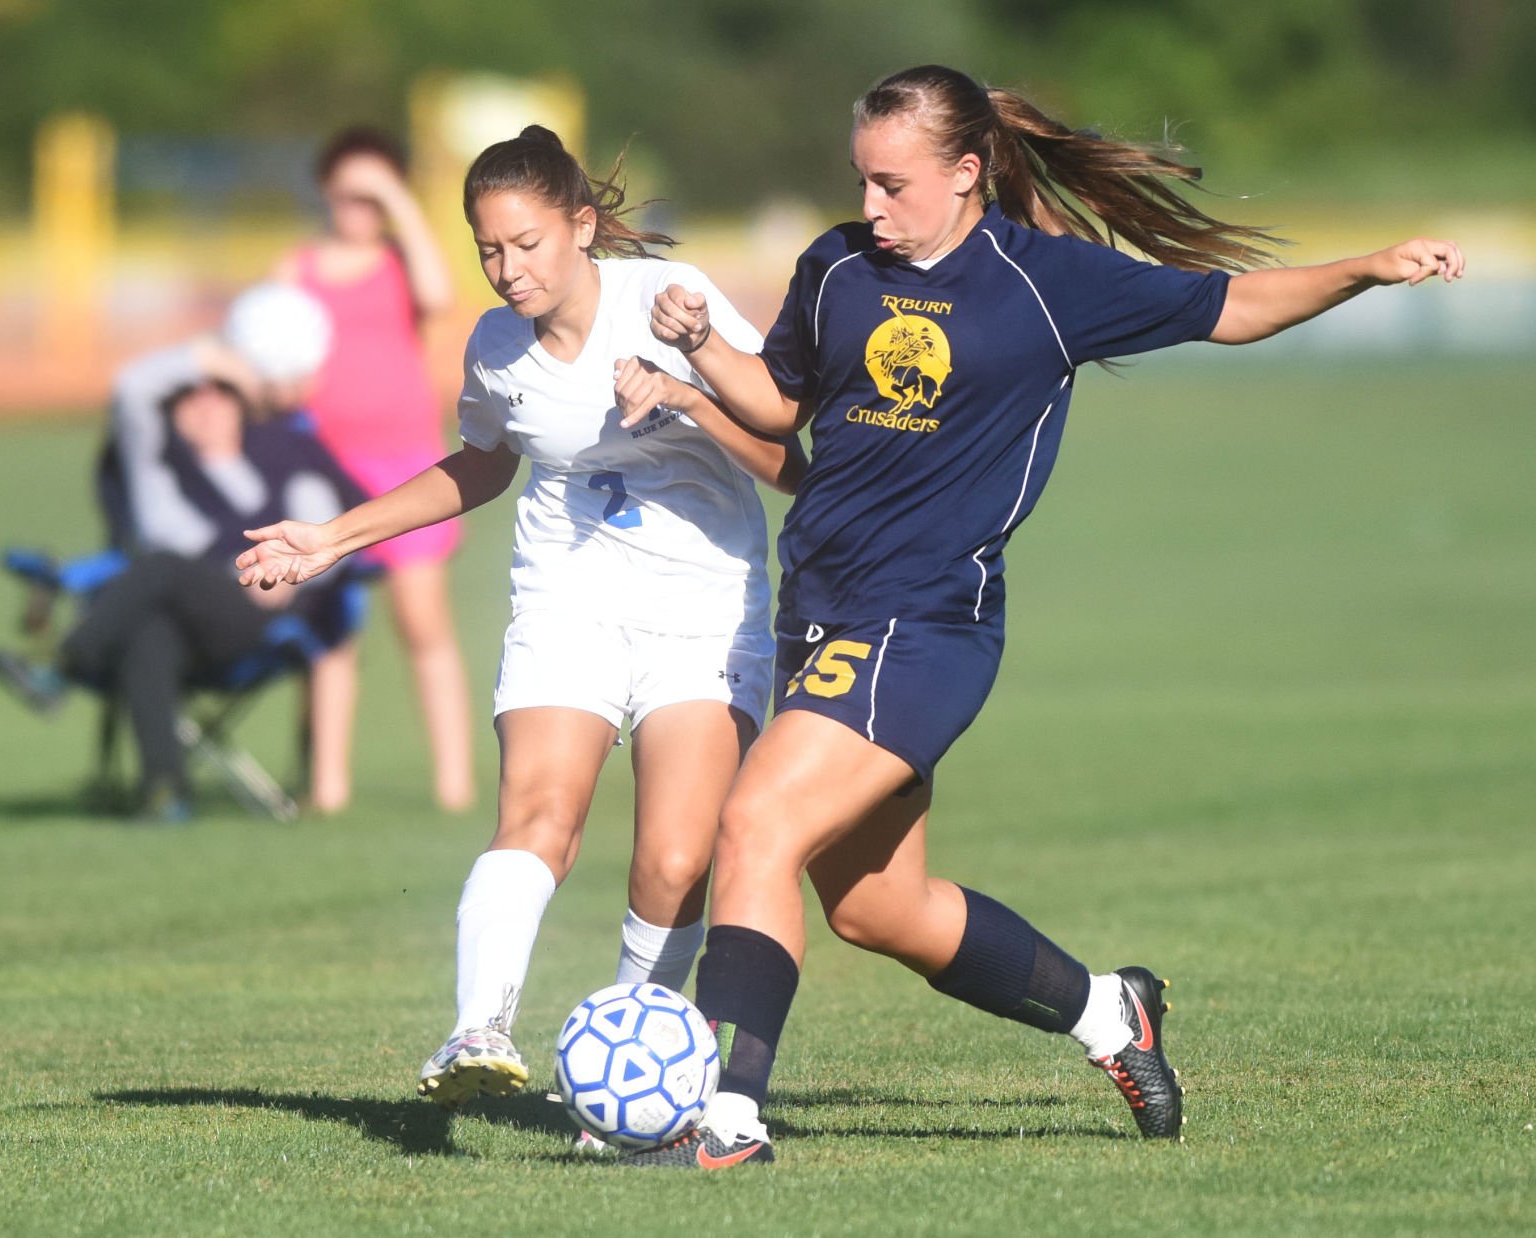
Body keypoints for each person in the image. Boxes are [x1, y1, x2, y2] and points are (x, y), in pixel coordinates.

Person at [617, 64, 1465, 1168]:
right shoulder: (833, 265)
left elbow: (1230, 307)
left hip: (924, 620)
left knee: (753, 826)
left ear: (967, 173)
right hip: (817, 611)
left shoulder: (1045, 281)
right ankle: (1109, 1011)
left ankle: (728, 1114)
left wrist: (1367, 267)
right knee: (880, 907)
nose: (871, 206)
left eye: (893, 183)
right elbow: (783, 403)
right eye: (862, 181)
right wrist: (699, 348)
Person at [235, 127, 806, 1122]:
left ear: (582, 227)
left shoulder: (671, 304)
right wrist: (333, 538)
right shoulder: (497, 346)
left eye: (528, 243)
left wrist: (683, 389)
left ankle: (628, 1087)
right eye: (489, 249)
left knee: (675, 860)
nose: (508, 269)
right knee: (539, 815)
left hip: (702, 612)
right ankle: (478, 1026)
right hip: (565, 600)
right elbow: (483, 462)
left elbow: (788, 458)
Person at [0, 304, 367, 822]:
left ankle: (62, 668)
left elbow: (348, 530)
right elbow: (134, 388)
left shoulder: (282, 453)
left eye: (220, 393)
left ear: (243, 403)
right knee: (151, 631)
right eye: (192, 395)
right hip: (181, 621)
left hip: (254, 619)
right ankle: (166, 793)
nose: (206, 404)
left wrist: (298, 580)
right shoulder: (157, 469)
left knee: (161, 567)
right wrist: (216, 359)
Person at [276, 125, 474, 814]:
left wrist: (397, 196)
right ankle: (327, 788)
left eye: (373, 193)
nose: (358, 206)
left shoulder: (400, 263)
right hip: (324, 469)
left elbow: (440, 295)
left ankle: (455, 787)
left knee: (423, 625)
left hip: (406, 465)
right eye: (348, 191)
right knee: (329, 632)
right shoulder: (296, 269)